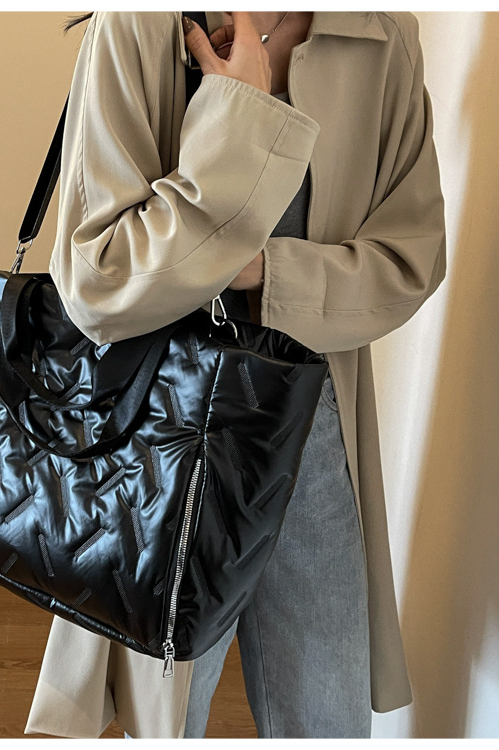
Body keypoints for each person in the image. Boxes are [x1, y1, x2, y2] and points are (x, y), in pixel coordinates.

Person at [24, 10, 446, 739]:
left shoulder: (379, 34)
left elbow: (410, 260)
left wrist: (260, 270)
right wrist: (236, 115)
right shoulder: (140, 25)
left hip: (314, 429)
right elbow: (99, 280)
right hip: (163, 435)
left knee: (327, 721)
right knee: (167, 716)